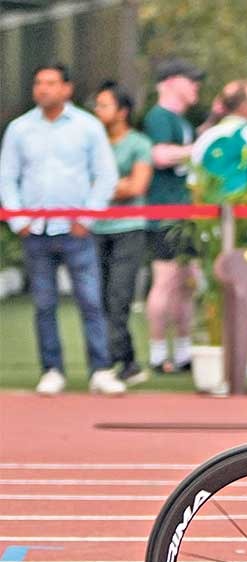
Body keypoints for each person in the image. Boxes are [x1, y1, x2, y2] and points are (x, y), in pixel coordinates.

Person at [0, 63, 124, 396]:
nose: (43, 89)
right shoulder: (19, 129)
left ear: (66, 89)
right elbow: (7, 176)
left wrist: (88, 217)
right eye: (39, 83)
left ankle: (100, 369)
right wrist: (17, 219)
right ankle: (52, 369)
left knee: (90, 301)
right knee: (43, 303)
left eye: (51, 83)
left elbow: (106, 174)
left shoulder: (87, 126)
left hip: (75, 230)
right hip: (36, 229)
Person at [142, 58, 203, 375]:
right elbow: (159, 155)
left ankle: (182, 352)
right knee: (164, 282)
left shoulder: (183, 121)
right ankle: (156, 352)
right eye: (190, 79)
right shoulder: (159, 117)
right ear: (170, 81)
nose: (196, 86)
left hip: (186, 214)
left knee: (185, 284)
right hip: (165, 213)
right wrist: (198, 149)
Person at [91, 81, 153, 386]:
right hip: (95, 228)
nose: (98, 110)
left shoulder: (139, 143)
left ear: (122, 111)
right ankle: (120, 361)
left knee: (119, 297)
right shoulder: (92, 142)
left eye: (104, 105)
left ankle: (120, 361)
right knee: (99, 298)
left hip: (129, 229)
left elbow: (137, 187)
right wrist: (115, 187)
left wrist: (99, 189)